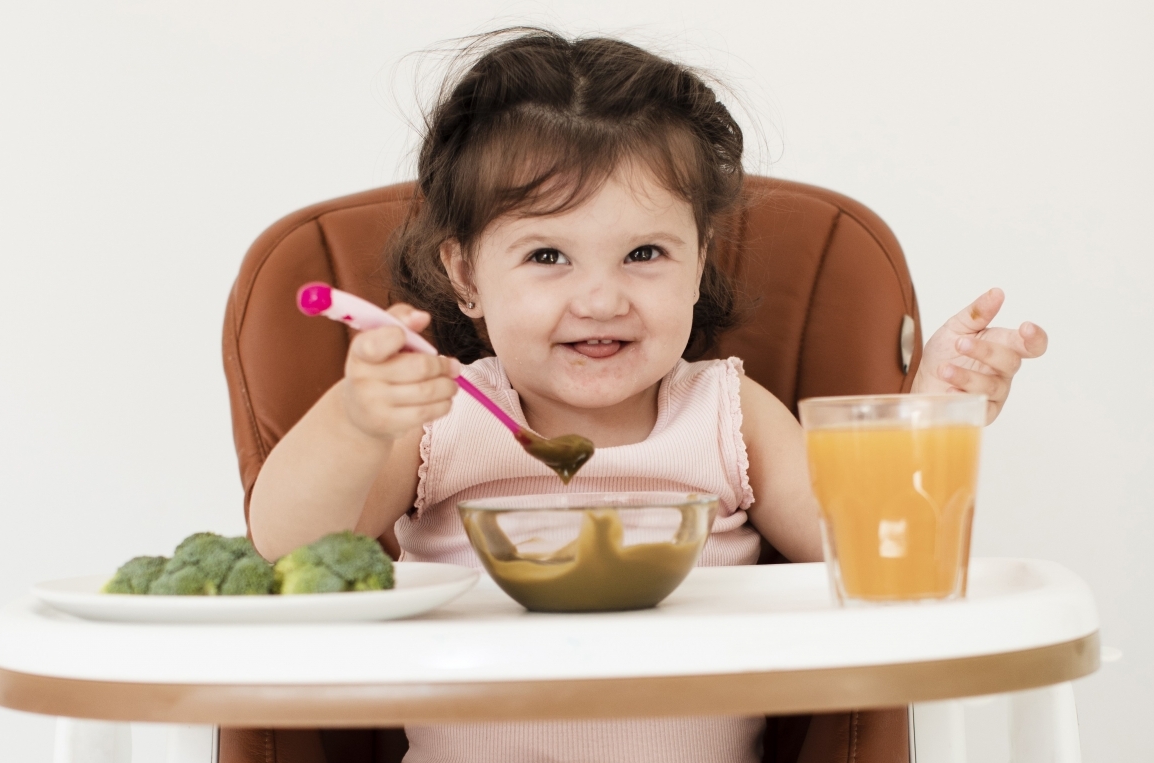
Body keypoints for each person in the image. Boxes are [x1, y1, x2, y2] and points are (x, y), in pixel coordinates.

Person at [248, 29, 1048, 763]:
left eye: (643, 253)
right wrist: (356, 421)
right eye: (548, 255)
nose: (601, 299)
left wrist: (936, 408)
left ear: (699, 262)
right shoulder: (440, 415)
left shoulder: (728, 415)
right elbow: (286, 548)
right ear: (466, 277)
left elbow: (875, 546)